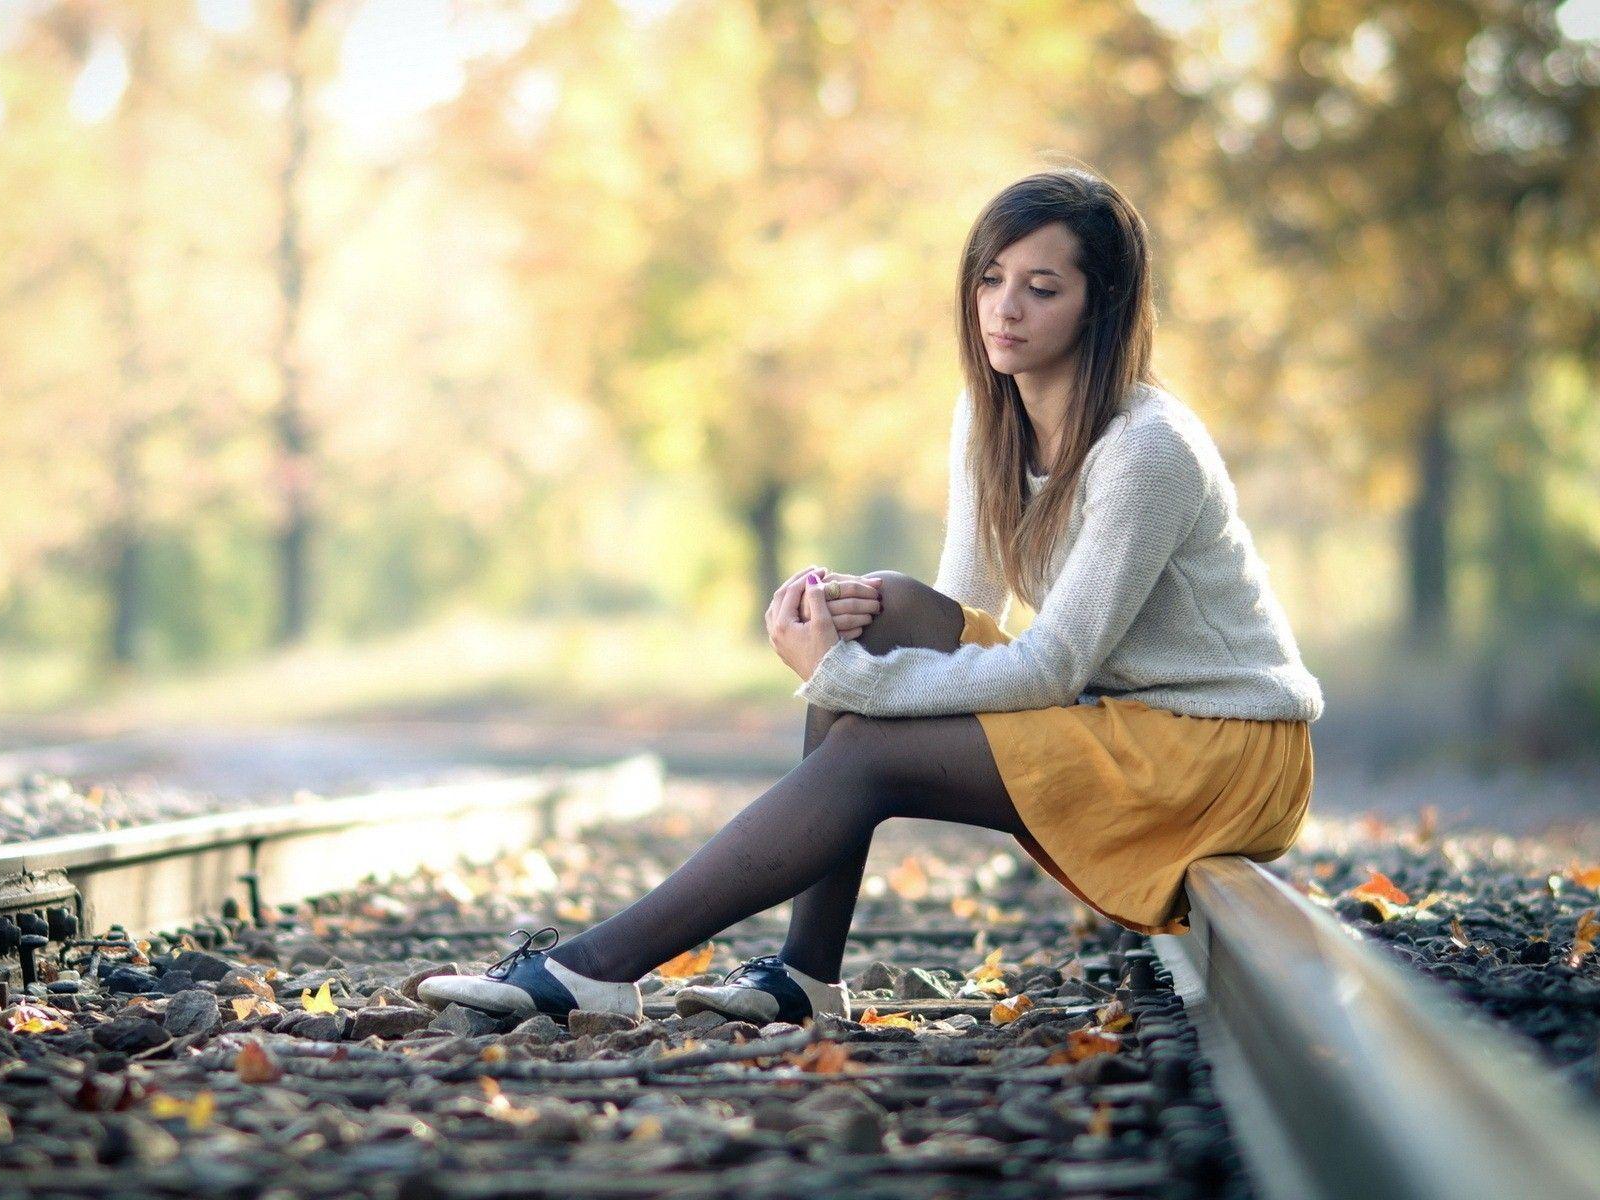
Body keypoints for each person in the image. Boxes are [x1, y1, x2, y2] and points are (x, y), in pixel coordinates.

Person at [419, 165, 1324, 1027]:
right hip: (1123, 720)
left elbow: (1054, 666)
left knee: (866, 750)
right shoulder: (991, 412)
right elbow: (964, 605)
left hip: (1221, 750)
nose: (1004, 309)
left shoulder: (1148, 449)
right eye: (991, 278)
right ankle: (807, 974)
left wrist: (849, 682)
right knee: (882, 604)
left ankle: (596, 969)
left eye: (1042, 288)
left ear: (1103, 306)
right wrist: (848, 628)